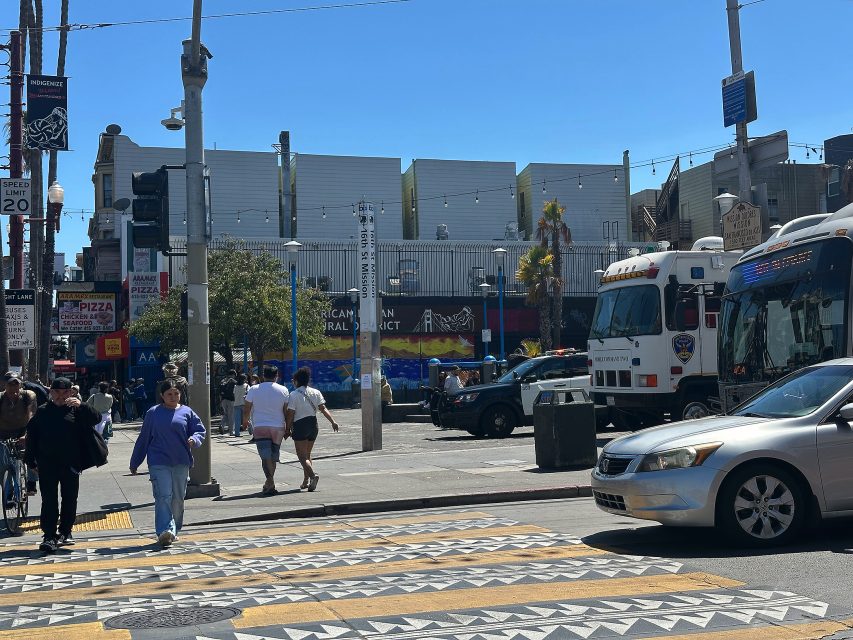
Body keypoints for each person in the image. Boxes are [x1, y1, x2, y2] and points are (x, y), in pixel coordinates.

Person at [25, 377, 101, 553]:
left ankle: (65, 531)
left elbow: (96, 418)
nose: (60, 396)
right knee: (49, 500)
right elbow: (32, 438)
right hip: (47, 464)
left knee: (69, 499)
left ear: (70, 393)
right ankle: (49, 535)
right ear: (51, 392)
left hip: (71, 464)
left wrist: (81, 405)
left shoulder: (76, 410)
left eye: (64, 392)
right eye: (56, 392)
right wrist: (30, 461)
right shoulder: (42, 412)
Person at [129, 379, 205, 548]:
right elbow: (144, 439)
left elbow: (200, 430)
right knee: (163, 496)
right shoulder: (153, 413)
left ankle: (174, 529)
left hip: (181, 462)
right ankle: (164, 530)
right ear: (162, 395)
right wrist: (135, 462)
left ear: (180, 395)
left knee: (178, 498)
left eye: (176, 393)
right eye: (169, 394)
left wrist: (194, 439)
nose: (173, 397)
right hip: (158, 462)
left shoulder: (187, 412)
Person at [285, 367, 339, 492]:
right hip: (313, 425)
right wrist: (333, 422)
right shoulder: (316, 392)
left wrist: (287, 429)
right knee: (308, 455)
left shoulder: (293, 395)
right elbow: (323, 408)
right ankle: (305, 481)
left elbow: (291, 414)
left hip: (300, 425)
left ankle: (313, 476)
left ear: (297, 381)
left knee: (301, 456)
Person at [241, 365, 289, 495]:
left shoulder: (254, 389)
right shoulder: (284, 390)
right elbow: (286, 411)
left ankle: (270, 481)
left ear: (263, 376)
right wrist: (288, 427)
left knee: (265, 457)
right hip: (278, 426)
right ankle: (270, 483)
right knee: (273, 457)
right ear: (276, 376)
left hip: (260, 426)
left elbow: (247, 408)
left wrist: (245, 422)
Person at [0, 372, 38, 494]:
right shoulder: (1, 398)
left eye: (16, 384)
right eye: (10, 384)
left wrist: (27, 434)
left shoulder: (28, 395)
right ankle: (8, 492)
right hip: (3, 433)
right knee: (4, 462)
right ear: (4, 385)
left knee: (32, 451)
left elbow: (31, 414)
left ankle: (31, 483)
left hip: (23, 429)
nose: (13, 387)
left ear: (20, 385)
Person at [218, 369, 237, 435]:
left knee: (226, 414)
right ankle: (231, 432)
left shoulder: (222, 381)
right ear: (234, 374)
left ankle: (222, 425)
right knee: (231, 416)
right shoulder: (233, 381)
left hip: (223, 400)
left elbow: (219, 392)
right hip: (231, 400)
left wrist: (220, 401)